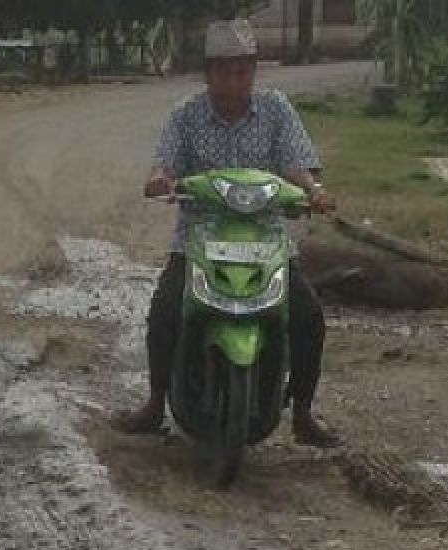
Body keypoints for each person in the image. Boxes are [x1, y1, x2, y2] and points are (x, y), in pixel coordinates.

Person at [113, 18, 342, 448]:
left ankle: (305, 414)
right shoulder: (186, 114)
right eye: (225, 70)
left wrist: (314, 190)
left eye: (244, 70)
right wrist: (161, 180)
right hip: (199, 237)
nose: (235, 80)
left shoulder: (275, 109)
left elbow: (296, 165)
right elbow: (164, 165)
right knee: (164, 308)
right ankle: (155, 402)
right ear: (209, 73)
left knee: (308, 315)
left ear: (254, 71)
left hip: (267, 238)